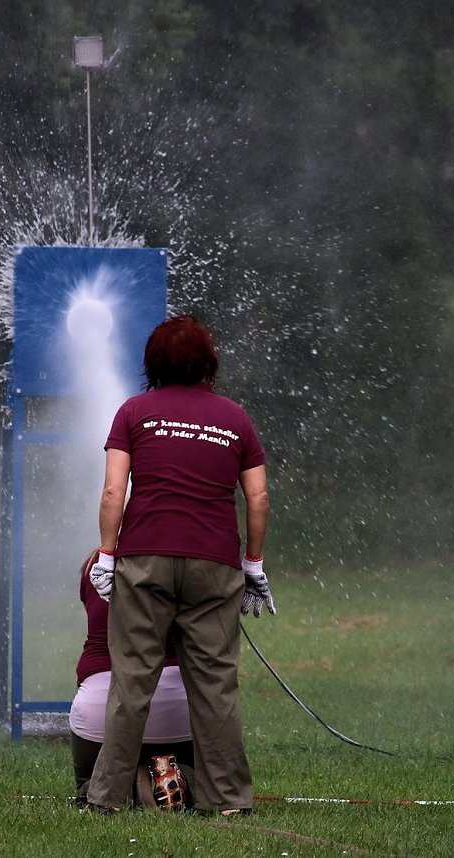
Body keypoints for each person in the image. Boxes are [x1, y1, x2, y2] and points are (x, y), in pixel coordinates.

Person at [85, 314, 275, 815]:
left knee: (132, 680)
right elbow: (258, 497)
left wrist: (107, 554)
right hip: (214, 563)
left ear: (152, 364)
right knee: (215, 685)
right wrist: (253, 564)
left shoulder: (133, 412)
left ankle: (105, 799)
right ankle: (228, 800)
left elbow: (113, 490)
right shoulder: (235, 418)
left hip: (144, 558)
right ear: (208, 363)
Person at [70, 548, 194, 809]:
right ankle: (179, 779)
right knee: (198, 771)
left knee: (89, 781)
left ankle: (112, 789)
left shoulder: (94, 564)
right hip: (174, 707)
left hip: (101, 709)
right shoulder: (182, 560)